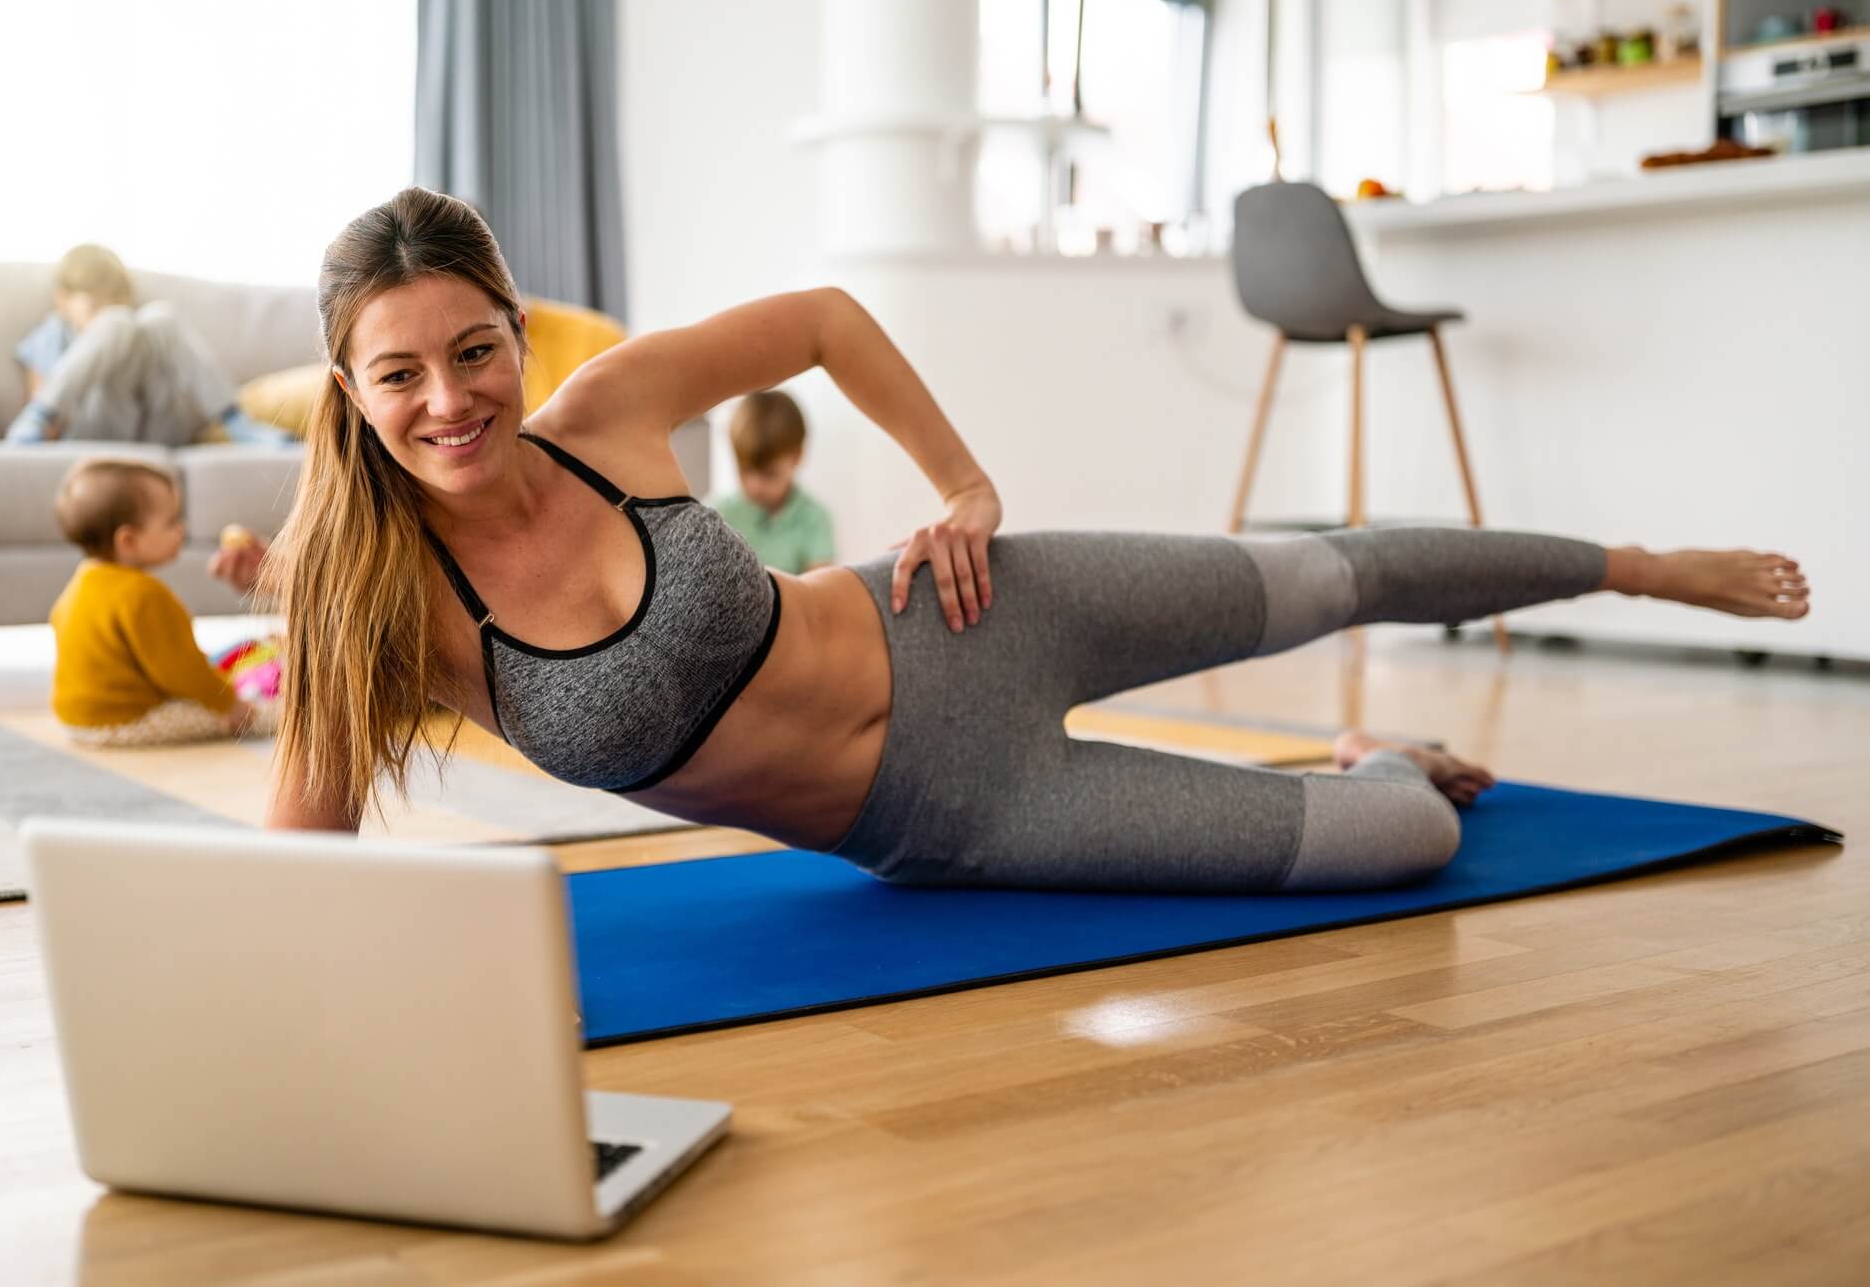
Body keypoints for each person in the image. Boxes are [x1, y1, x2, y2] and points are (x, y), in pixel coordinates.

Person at [237, 187, 1810, 893]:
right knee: (1401, 845)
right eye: (401, 373)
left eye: (477, 350)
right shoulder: (381, 610)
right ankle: (1369, 759)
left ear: (518, 331)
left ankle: (1630, 563)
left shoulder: (615, 409)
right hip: (960, 810)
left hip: (973, 613)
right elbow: (295, 865)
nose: (451, 399)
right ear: (349, 388)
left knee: (1333, 570)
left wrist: (966, 483)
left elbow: (825, 320)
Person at [51, 458, 269, 747]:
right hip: (128, 719)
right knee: (265, 714)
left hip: (75, 720)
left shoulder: (79, 584)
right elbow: (182, 670)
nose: (182, 529)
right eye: (171, 522)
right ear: (128, 540)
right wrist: (230, 704)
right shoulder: (144, 594)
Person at [7, 243, 292, 446]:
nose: (106, 310)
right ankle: (39, 415)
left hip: (158, 429)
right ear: (62, 300)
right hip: (94, 430)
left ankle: (236, 423)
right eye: (95, 305)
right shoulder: (52, 335)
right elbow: (39, 396)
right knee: (116, 322)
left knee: (161, 317)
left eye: (114, 301)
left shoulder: (142, 328)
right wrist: (41, 421)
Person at [712, 388, 835, 573]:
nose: (754, 485)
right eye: (744, 470)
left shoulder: (814, 520)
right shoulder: (717, 514)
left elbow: (819, 589)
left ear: (797, 458)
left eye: (769, 474)